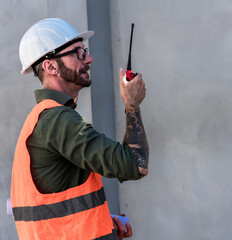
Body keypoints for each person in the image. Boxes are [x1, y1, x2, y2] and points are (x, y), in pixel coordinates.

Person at [11, 18, 149, 240]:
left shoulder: (44, 119)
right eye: (78, 53)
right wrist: (132, 104)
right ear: (50, 66)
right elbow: (135, 164)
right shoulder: (56, 119)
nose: (89, 58)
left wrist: (103, 224)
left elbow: (59, 212)